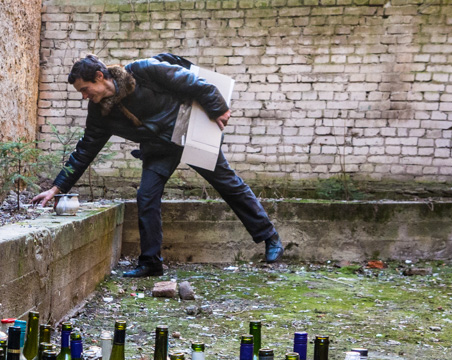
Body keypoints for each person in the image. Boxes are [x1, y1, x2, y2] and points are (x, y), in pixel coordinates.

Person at [32, 54, 284, 275]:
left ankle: (270, 238)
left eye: (85, 89)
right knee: (146, 196)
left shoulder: (143, 71)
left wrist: (217, 108)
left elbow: (195, 83)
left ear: (100, 76)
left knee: (228, 184)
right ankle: (150, 262)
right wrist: (57, 188)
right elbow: (85, 149)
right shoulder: (99, 112)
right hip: (158, 149)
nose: (85, 96)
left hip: (189, 134)